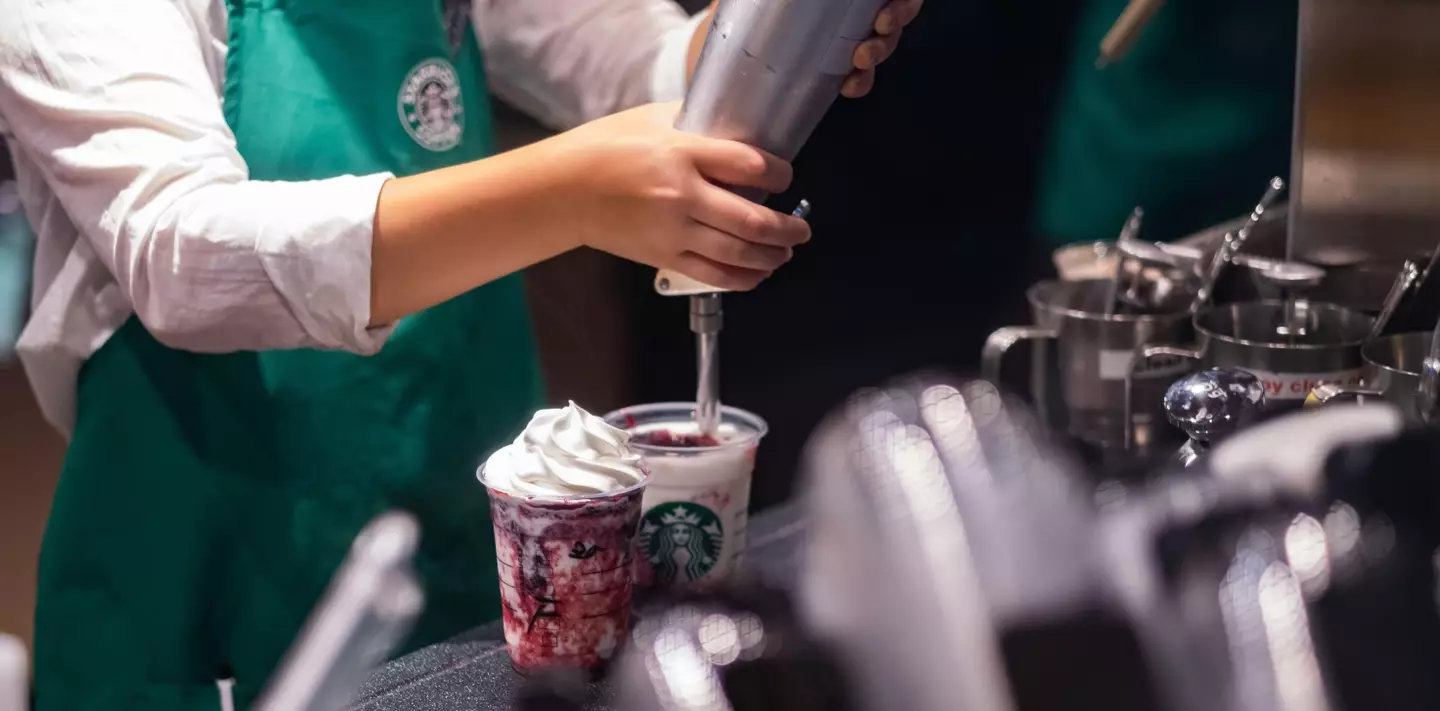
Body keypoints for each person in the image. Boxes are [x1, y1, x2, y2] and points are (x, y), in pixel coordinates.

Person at [0, 0, 921, 707]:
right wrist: (570, 194)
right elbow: (186, 253)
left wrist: (762, 44)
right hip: (206, 567)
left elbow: (615, 52)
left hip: (452, 521)